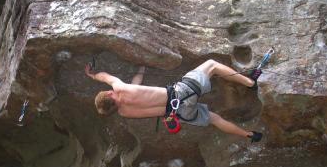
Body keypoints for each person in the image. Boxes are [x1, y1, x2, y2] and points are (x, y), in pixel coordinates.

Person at [85, 59, 263, 142]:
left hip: (180, 112)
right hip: (182, 92)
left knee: (215, 119)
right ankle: (250, 82)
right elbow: (105, 77)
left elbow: (136, 85)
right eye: (108, 92)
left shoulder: (125, 112)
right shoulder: (120, 88)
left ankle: (249, 135)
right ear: (109, 95)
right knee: (212, 65)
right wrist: (92, 74)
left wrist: (141, 71)